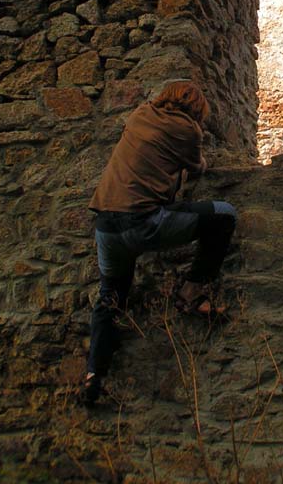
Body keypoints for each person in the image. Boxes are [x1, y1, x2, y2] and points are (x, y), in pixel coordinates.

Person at [82, 80, 237, 405]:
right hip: (142, 222)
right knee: (224, 215)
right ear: (197, 108)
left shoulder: (140, 114)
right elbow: (197, 167)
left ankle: (93, 375)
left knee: (110, 298)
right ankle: (191, 291)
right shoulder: (188, 130)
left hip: (106, 226)